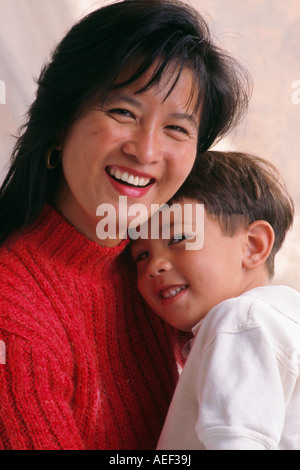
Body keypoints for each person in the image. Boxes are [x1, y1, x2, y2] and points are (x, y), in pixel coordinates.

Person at [0, 0, 250, 450]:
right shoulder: (13, 310)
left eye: (177, 128)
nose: (147, 150)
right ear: (60, 123)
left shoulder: (169, 270)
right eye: (123, 113)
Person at [130, 150, 300, 450]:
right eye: (141, 255)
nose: (154, 265)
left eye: (178, 238)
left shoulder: (241, 321)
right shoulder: (277, 318)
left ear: (252, 246)